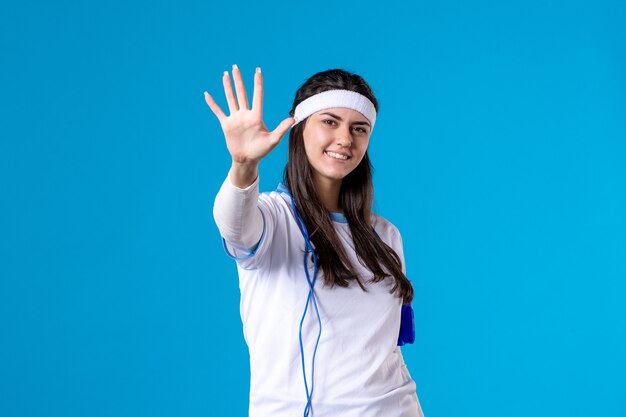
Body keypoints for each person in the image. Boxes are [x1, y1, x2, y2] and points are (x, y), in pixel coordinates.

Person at [204, 64, 425, 417]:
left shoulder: (385, 236)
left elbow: (386, 353)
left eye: (359, 129)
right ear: (300, 127)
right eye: (330, 121)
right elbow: (234, 225)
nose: (345, 139)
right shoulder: (272, 220)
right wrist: (243, 165)